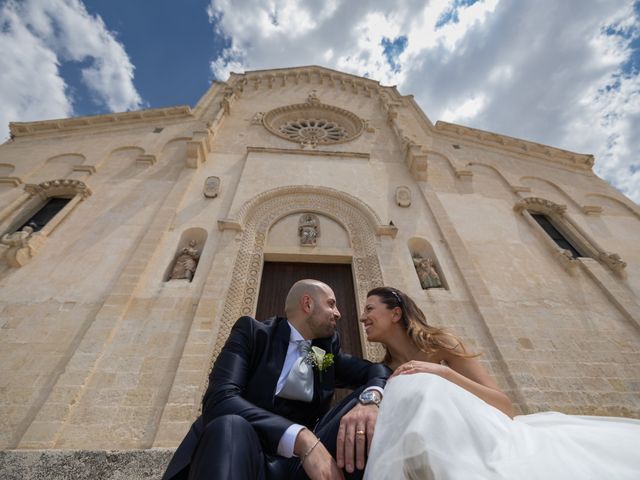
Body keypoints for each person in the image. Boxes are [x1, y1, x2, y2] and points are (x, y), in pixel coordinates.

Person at [360, 286, 640, 479]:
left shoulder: (441, 344)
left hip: (477, 443)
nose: (362, 317)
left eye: (370, 308)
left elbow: (504, 406)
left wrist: (443, 373)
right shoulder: (381, 372)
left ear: (395, 313)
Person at [162, 279, 390, 480]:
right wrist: (301, 438)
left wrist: (369, 401)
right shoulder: (253, 333)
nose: (339, 313)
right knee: (230, 425)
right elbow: (220, 399)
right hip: (242, 453)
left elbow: (376, 371)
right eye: (331, 304)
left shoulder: (324, 351)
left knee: (366, 407)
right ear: (308, 304)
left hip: (299, 467)